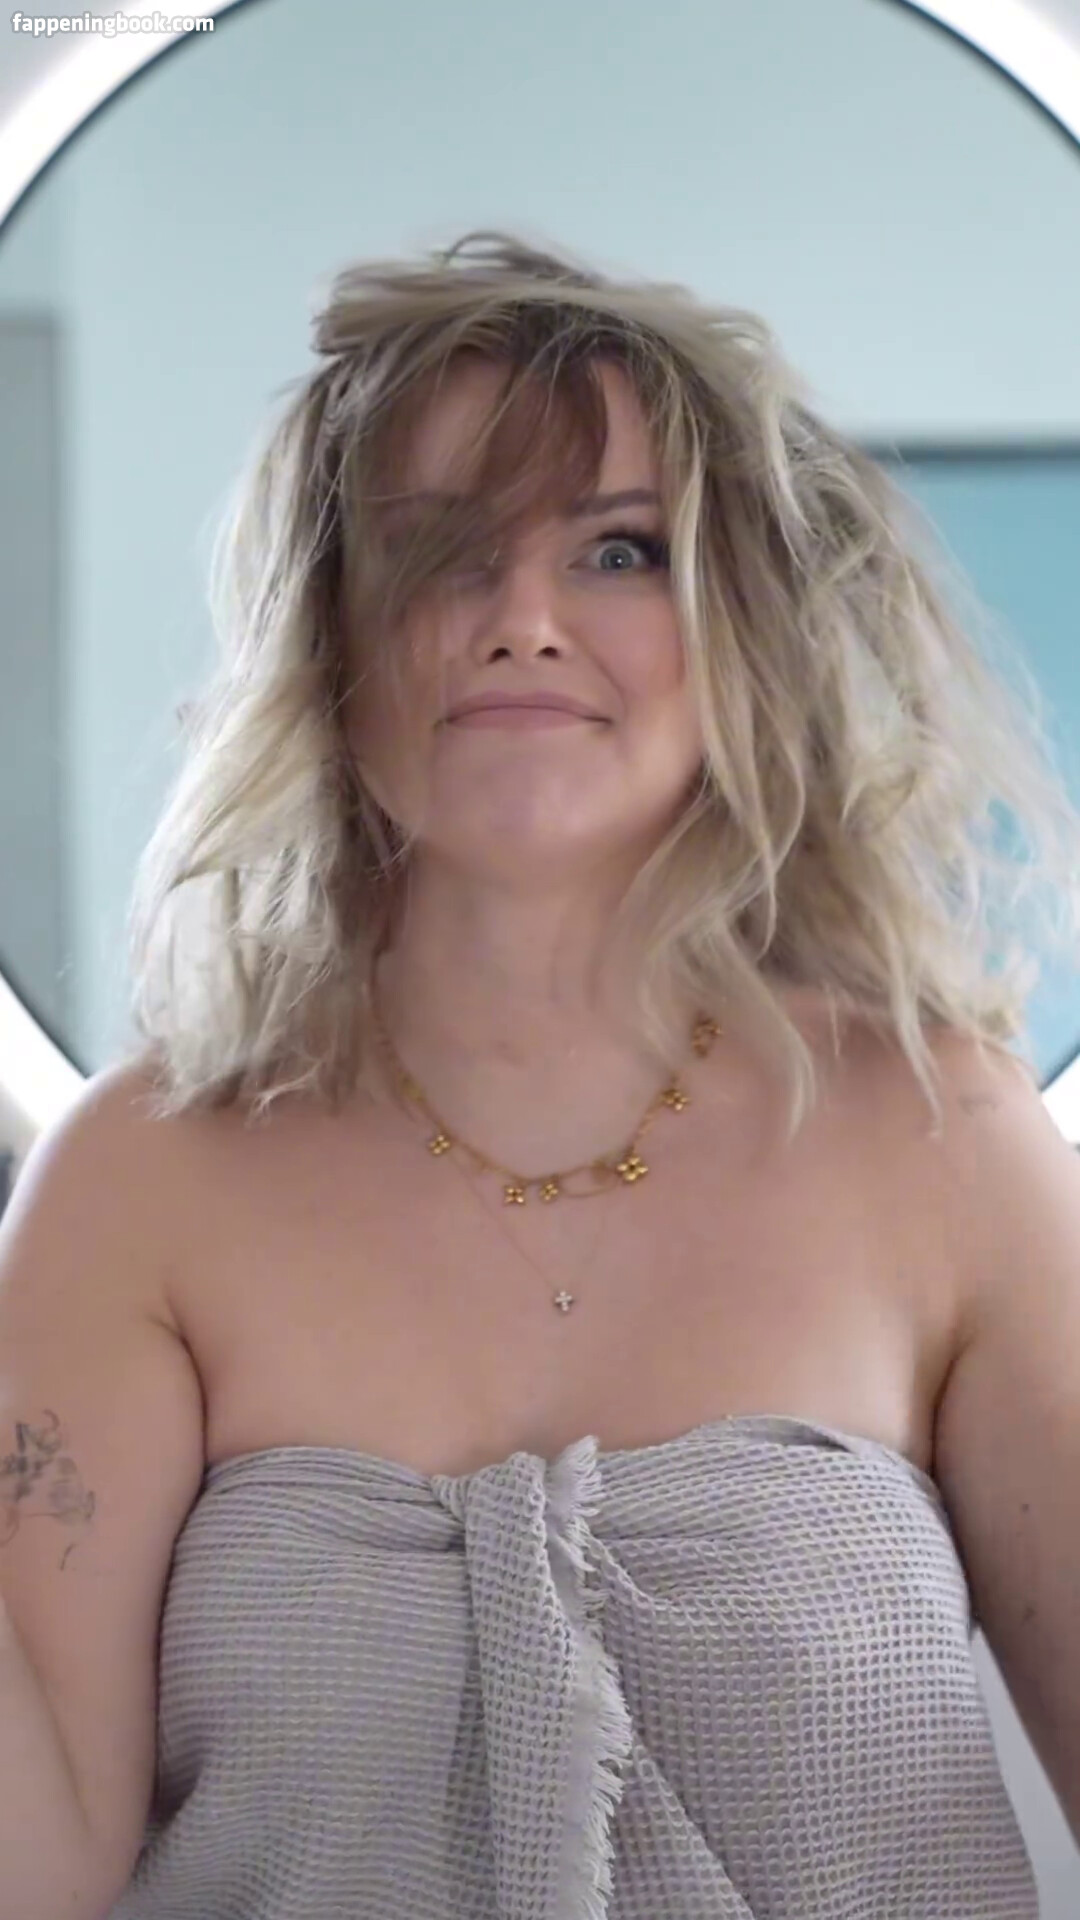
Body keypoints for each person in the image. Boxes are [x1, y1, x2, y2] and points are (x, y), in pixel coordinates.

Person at [3, 228, 1077, 1918]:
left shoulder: (949, 1140)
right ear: (332, 644)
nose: (519, 621)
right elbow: (35, 1856)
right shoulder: (135, 1179)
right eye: (440, 553)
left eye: (620, 551)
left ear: (742, 632)